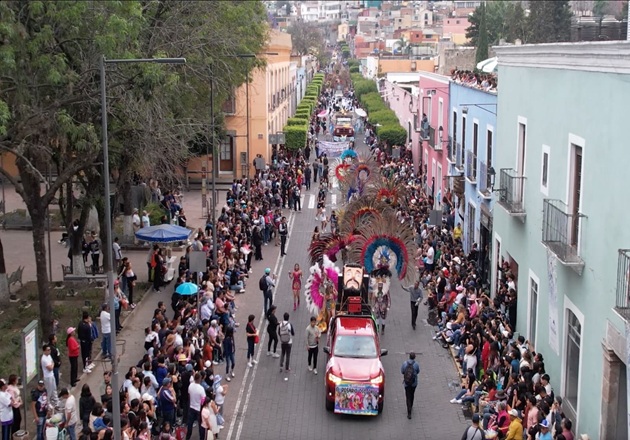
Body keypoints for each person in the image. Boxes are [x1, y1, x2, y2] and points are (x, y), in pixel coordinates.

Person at [185, 373, 205, 440]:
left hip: (191, 407)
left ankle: (187, 437)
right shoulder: (201, 389)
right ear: (200, 379)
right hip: (198, 408)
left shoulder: (190, 386)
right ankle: (201, 438)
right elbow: (203, 400)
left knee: (190, 424)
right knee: (201, 425)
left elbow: (189, 395)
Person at [400, 352, 420, 419]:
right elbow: (418, 371)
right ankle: (411, 405)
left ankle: (409, 411)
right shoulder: (416, 364)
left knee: (407, 396)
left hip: (406, 383)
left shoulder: (405, 363)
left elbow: (402, 371)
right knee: (412, 394)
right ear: (414, 357)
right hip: (414, 383)